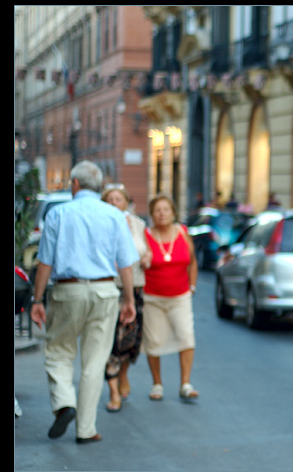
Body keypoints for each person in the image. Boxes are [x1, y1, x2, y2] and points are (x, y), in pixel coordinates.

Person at [30, 161, 138, 444]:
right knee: (95, 360)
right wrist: (129, 300)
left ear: (74, 184)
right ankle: (86, 429)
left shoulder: (59, 214)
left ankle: (65, 403)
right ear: (99, 186)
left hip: (68, 291)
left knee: (58, 351)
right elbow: (126, 264)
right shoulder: (115, 215)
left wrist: (37, 299)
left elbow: (44, 263)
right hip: (104, 291)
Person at [141, 195, 199, 401]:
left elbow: (192, 262)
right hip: (153, 297)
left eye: (166, 209)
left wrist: (192, 286)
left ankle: (186, 383)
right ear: (152, 214)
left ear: (173, 212)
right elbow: (137, 261)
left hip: (180, 296)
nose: (162, 213)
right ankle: (157, 384)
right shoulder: (146, 235)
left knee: (186, 336)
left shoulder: (183, 232)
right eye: (157, 210)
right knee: (154, 341)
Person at [101, 186, 152, 412]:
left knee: (131, 339)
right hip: (110, 288)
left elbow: (146, 249)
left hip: (136, 287)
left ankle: (123, 373)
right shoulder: (100, 223)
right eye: (109, 199)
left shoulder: (138, 223)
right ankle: (113, 390)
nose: (114, 202)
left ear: (126, 202)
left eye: (118, 199)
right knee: (110, 339)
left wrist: (148, 257)